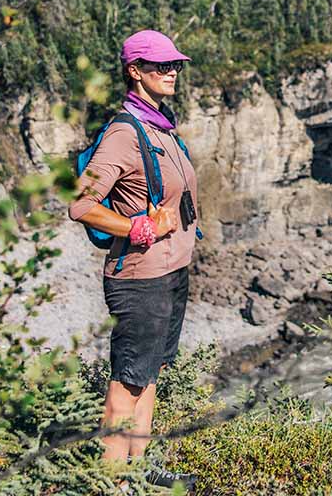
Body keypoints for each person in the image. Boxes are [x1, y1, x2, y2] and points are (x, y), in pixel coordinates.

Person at [69, 29, 200, 491]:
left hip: (170, 272)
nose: (171, 73)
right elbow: (81, 204)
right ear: (135, 71)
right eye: (161, 66)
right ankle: (111, 482)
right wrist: (139, 228)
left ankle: (139, 471)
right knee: (127, 381)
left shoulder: (159, 125)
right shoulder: (126, 132)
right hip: (140, 277)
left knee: (150, 373)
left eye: (175, 65)